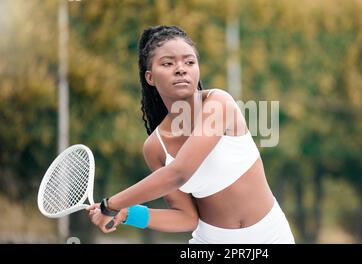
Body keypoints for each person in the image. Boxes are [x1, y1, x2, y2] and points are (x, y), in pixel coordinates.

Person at [87, 25, 295, 244]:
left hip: (271, 237)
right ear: (150, 77)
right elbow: (186, 218)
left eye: (189, 62)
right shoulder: (155, 148)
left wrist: (111, 205)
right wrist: (127, 213)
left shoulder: (218, 103)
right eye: (168, 63)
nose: (180, 69)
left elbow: (180, 173)